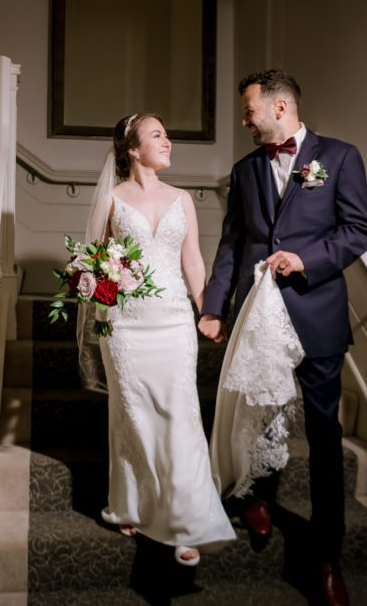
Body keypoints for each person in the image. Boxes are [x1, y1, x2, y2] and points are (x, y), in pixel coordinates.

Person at [199, 69, 367, 605]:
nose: (245, 121)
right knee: (255, 418)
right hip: (257, 319)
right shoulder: (245, 169)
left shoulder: (340, 157)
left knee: (323, 440)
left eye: (249, 111)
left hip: (316, 317)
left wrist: (307, 259)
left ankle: (327, 557)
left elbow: (359, 229)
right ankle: (254, 499)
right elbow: (232, 245)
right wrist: (211, 308)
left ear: (279, 108)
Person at [82, 112, 236, 567]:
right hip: (125, 327)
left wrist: (207, 310)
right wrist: (105, 310)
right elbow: (94, 264)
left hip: (172, 322)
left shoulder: (181, 199)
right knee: (132, 416)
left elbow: (192, 262)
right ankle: (133, 504)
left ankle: (187, 524)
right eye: (157, 135)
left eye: (167, 134)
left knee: (180, 415)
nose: (167, 141)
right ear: (133, 149)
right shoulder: (112, 199)